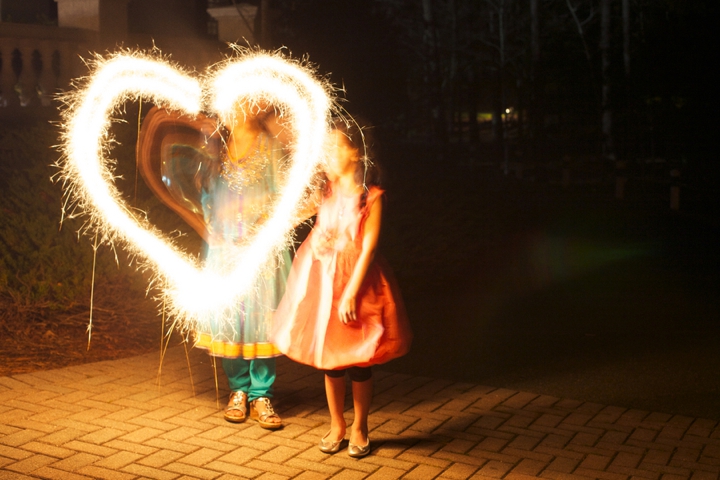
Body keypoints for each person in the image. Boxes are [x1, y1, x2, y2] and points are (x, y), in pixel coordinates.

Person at [271, 118, 412, 457]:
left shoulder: (370, 197)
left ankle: (360, 426)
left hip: (356, 284)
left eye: (335, 148)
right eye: (326, 148)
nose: (328, 154)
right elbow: (299, 212)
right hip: (322, 283)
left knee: (359, 360)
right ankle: (337, 424)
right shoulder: (326, 189)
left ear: (356, 153)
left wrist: (351, 291)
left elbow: (370, 248)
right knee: (329, 359)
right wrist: (274, 222)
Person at [194, 107, 290, 429]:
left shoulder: (269, 145)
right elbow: (206, 194)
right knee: (228, 317)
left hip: (259, 249)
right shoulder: (217, 146)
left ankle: (261, 394)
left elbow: (282, 195)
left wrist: (260, 230)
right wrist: (213, 227)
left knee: (260, 318)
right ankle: (238, 389)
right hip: (223, 249)